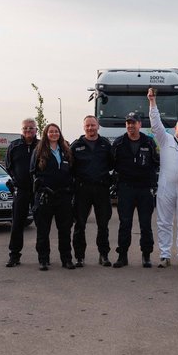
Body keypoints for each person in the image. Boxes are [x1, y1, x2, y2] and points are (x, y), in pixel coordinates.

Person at [147, 87, 178, 268]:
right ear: (175, 128)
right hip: (167, 187)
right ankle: (165, 254)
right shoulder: (165, 139)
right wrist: (152, 102)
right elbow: (155, 123)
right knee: (164, 222)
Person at [112, 112, 158, 268]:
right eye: (128, 123)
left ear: (140, 124)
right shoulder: (118, 143)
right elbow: (112, 164)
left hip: (145, 189)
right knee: (125, 224)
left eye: (134, 122)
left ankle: (146, 255)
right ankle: (122, 256)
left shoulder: (149, 142)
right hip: (126, 189)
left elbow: (157, 163)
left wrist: (154, 185)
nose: (130, 125)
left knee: (145, 224)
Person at [70, 115, 115, 268]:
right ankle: (80, 257)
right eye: (87, 126)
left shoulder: (105, 144)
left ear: (98, 126)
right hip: (82, 190)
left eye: (93, 125)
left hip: (101, 189)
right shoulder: (76, 146)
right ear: (84, 127)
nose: (90, 128)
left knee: (103, 224)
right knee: (80, 225)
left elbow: (112, 165)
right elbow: (70, 168)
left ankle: (104, 255)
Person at [30, 123, 75, 271]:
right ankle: (43, 259)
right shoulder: (39, 151)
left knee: (65, 230)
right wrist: (41, 188)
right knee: (43, 230)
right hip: (45, 195)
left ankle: (66, 259)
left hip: (63, 196)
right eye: (51, 131)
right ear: (46, 134)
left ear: (59, 134)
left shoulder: (66, 150)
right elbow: (33, 172)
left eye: (56, 131)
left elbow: (72, 172)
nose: (54, 134)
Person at [4, 118, 38, 267]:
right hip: (22, 190)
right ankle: (14, 255)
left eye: (31, 128)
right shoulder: (14, 146)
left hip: (39, 190)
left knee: (42, 224)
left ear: (36, 130)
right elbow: (9, 166)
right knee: (17, 223)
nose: (28, 131)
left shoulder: (42, 145)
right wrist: (16, 180)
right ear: (21, 130)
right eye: (25, 128)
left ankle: (44, 256)